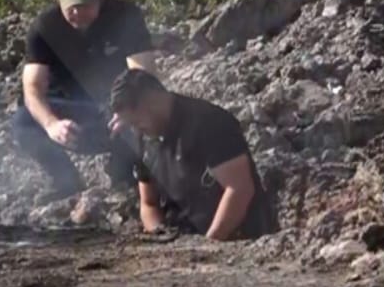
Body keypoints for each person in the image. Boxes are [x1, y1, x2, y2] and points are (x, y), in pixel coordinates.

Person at [12, 0, 160, 200]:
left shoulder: (125, 16)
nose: (77, 13)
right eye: (70, 7)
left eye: (85, 5)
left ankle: (126, 176)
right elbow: (32, 88)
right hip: (70, 112)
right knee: (23, 122)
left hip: (115, 109)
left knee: (149, 112)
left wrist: (128, 110)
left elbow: (144, 74)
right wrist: (51, 124)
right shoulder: (45, 27)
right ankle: (68, 184)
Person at [108, 68, 276, 241]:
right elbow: (148, 203)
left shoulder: (209, 123)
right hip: (181, 243)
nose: (136, 129)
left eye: (136, 121)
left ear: (153, 101)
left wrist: (209, 246)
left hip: (234, 240)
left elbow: (240, 189)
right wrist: (160, 235)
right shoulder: (144, 136)